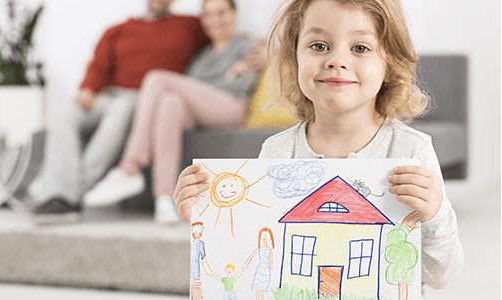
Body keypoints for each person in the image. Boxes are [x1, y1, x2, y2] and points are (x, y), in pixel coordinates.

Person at [173, 0, 463, 296]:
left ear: (388, 64)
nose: (336, 60)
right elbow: (249, 256)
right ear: (295, 57)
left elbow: (441, 276)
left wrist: (435, 213)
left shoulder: (411, 151)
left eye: (360, 48)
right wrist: (204, 219)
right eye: (319, 46)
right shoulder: (277, 152)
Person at [81, 0, 263, 224]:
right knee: (169, 104)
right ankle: (165, 199)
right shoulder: (202, 57)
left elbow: (279, 54)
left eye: (221, 13)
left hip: (231, 108)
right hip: (201, 112)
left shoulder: (248, 44)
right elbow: (192, 95)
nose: (215, 20)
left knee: (156, 78)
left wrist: (268, 54)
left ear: (234, 14)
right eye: (208, 15)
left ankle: (129, 168)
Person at [31, 0, 211, 224]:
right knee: (63, 114)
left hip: (144, 99)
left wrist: (251, 46)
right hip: (110, 95)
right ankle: (60, 191)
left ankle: (64, 196)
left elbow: (220, 30)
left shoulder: (189, 26)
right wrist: (87, 89)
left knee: (120, 110)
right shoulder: (118, 30)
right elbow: (99, 66)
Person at [243, 227, 274, 300]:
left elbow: (271, 264)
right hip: (260, 270)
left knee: (262, 289)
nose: (264, 237)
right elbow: (251, 257)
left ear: (270, 236)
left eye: (266, 235)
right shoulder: (259, 248)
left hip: (265, 271)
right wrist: (245, 265)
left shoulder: (270, 250)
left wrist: (268, 268)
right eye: (263, 235)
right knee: (258, 288)